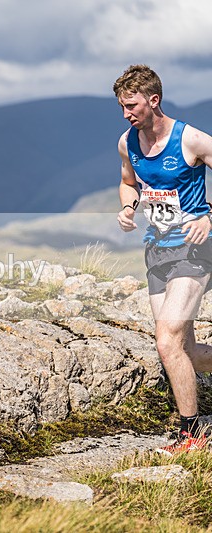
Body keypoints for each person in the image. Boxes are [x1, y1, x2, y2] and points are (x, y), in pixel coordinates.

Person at [115, 64, 212, 454]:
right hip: (158, 250)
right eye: (122, 106)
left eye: (132, 105)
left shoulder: (190, 139)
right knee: (184, 351)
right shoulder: (127, 142)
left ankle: (192, 434)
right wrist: (128, 207)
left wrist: (209, 215)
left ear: (153, 100)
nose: (127, 113)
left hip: (196, 248)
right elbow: (127, 182)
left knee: (167, 336)